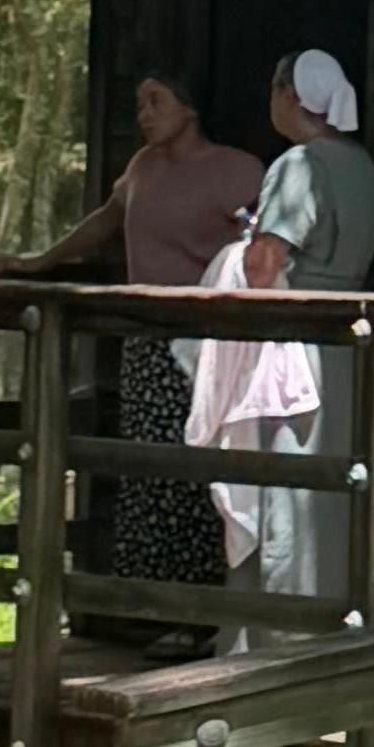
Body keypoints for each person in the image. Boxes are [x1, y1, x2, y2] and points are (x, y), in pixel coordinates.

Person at [24, 64, 262, 590]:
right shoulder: (143, 167)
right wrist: (42, 261)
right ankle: (150, 598)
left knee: (199, 463)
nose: (144, 115)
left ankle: (203, 605)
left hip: (207, 340)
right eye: (139, 104)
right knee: (149, 466)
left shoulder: (236, 170)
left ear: (190, 107)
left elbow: (265, 243)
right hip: (146, 341)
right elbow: (107, 218)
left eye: (157, 102)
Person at [234, 47, 374, 617]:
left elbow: (264, 264)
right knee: (339, 490)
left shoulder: (301, 165)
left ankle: (284, 629)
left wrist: (244, 245)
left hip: (299, 347)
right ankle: (340, 616)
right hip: (352, 346)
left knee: (291, 490)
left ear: (289, 95)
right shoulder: (362, 167)